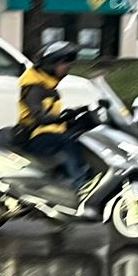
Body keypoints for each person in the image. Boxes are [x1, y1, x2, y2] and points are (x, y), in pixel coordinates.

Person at [15, 40, 88, 201]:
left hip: (46, 133)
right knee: (67, 142)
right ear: (50, 64)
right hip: (32, 136)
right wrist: (60, 118)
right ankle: (81, 185)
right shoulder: (33, 87)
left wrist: (74, 115)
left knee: (80, 137)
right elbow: (39, 117)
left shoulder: (48, 86)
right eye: (63, 63)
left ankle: (67, 183)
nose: (67, 66)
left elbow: (52, 114)